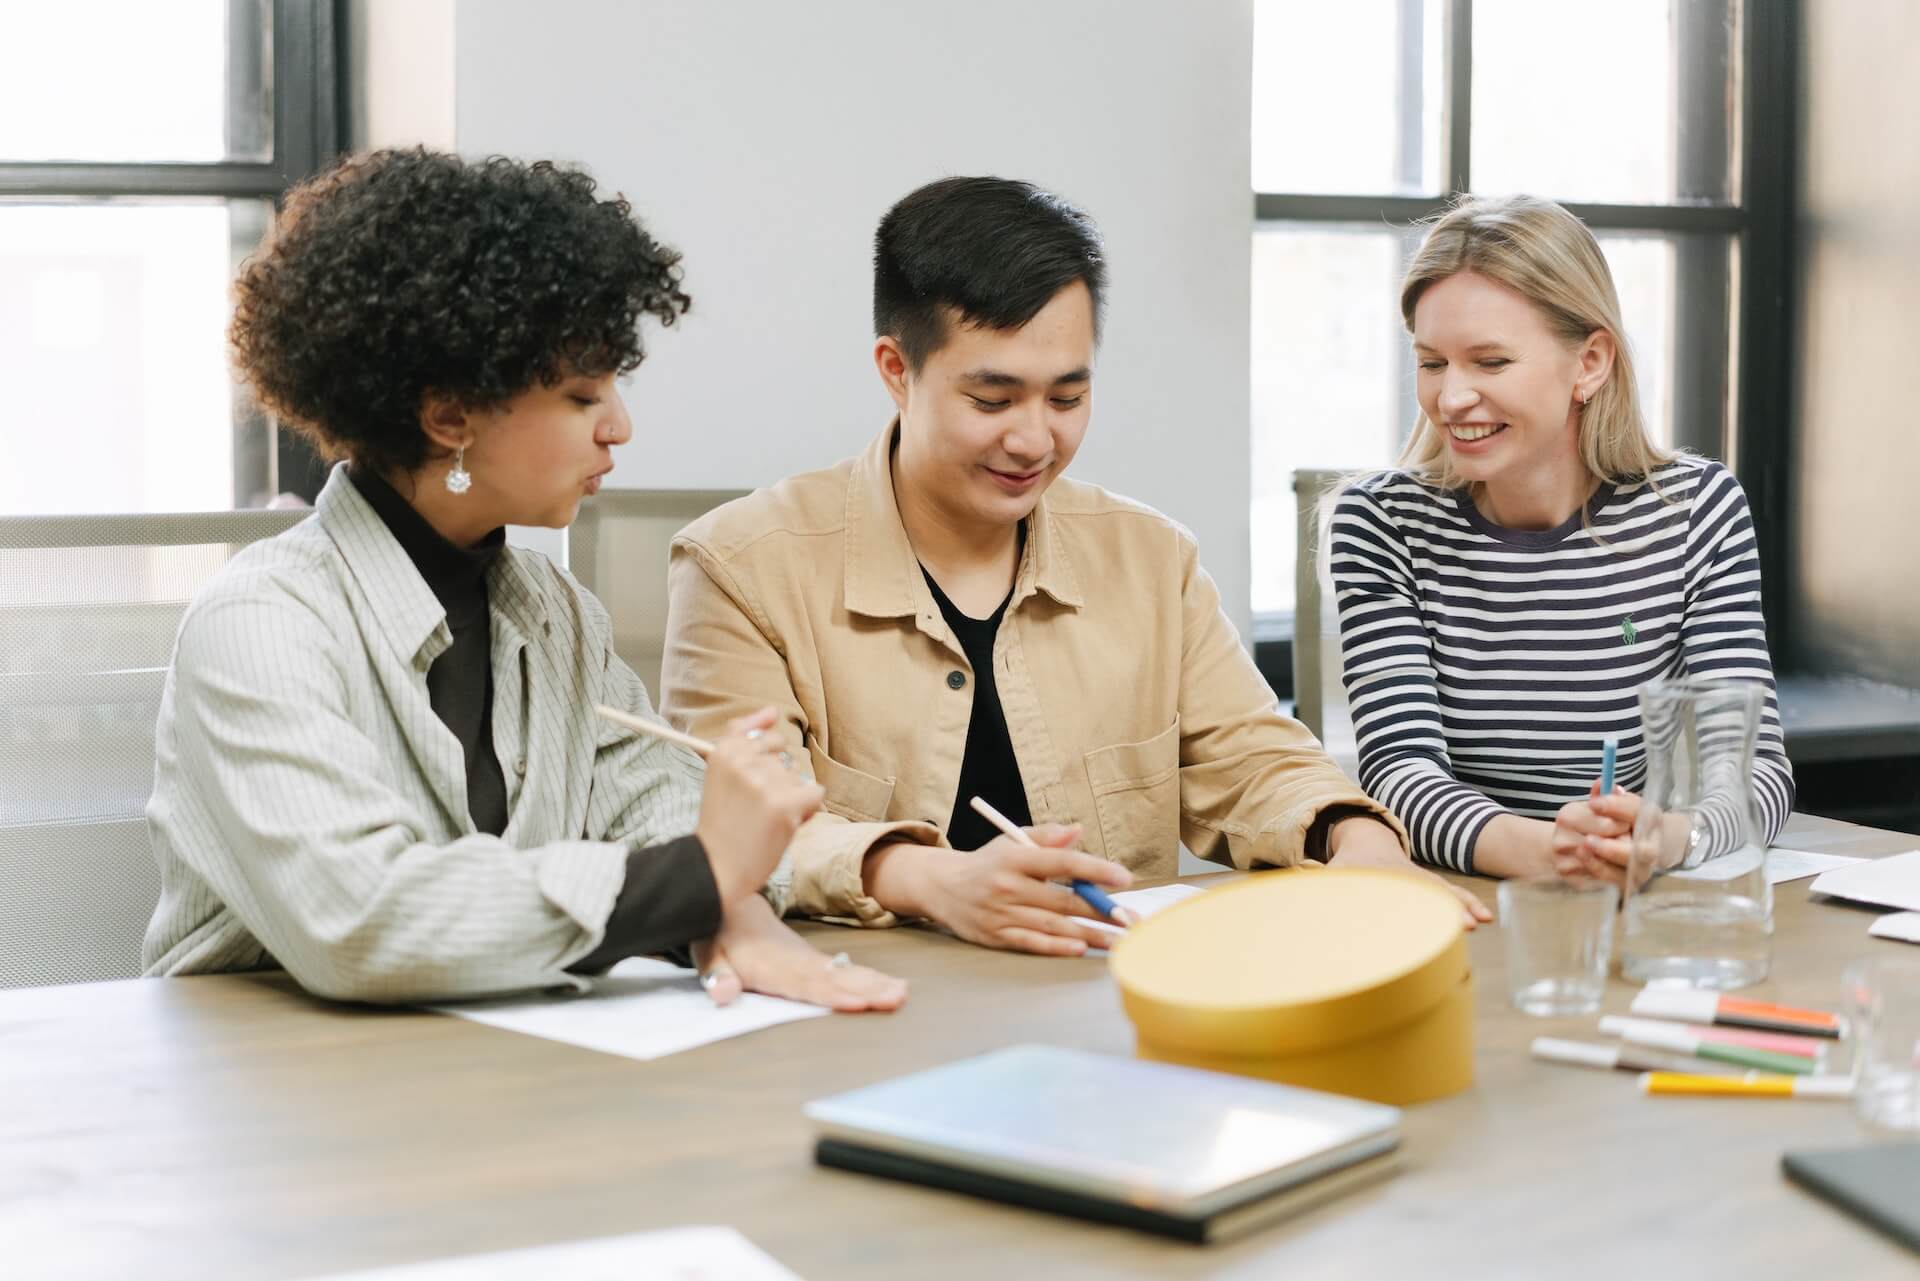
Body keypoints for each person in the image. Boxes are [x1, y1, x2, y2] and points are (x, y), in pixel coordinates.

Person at [143, 148, 906, 1011]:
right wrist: (700, 877)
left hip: (490, 1078)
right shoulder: (260, 624)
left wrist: (719, 902)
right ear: (448, 416)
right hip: (267, 1097)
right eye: (583, 396)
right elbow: (361, 918)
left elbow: (667, 811)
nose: (619, 426)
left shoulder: (559, 616)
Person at [661, 175, 1487, 955]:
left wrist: (1360, 837)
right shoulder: (741, 566)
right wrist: (927, 878)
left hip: (1104, 1007)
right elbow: (736, 829)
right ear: (895, 371)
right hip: (856, 1011)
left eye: (1067, 397)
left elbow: (1253, 759)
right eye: (992, 400)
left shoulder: (1150, 559)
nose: (1033, 439)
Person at [1326, 194, 1794, 885]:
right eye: (1432, 363)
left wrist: (1669, 835)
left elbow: (1754, 771)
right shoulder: (1379, 524)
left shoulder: (1698, 510)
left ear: (1591, 363)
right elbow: (1399, 774)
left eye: (1488, 362)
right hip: (1468, 901)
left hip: (1634, 897)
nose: (1451, 398)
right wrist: (1555, 852)